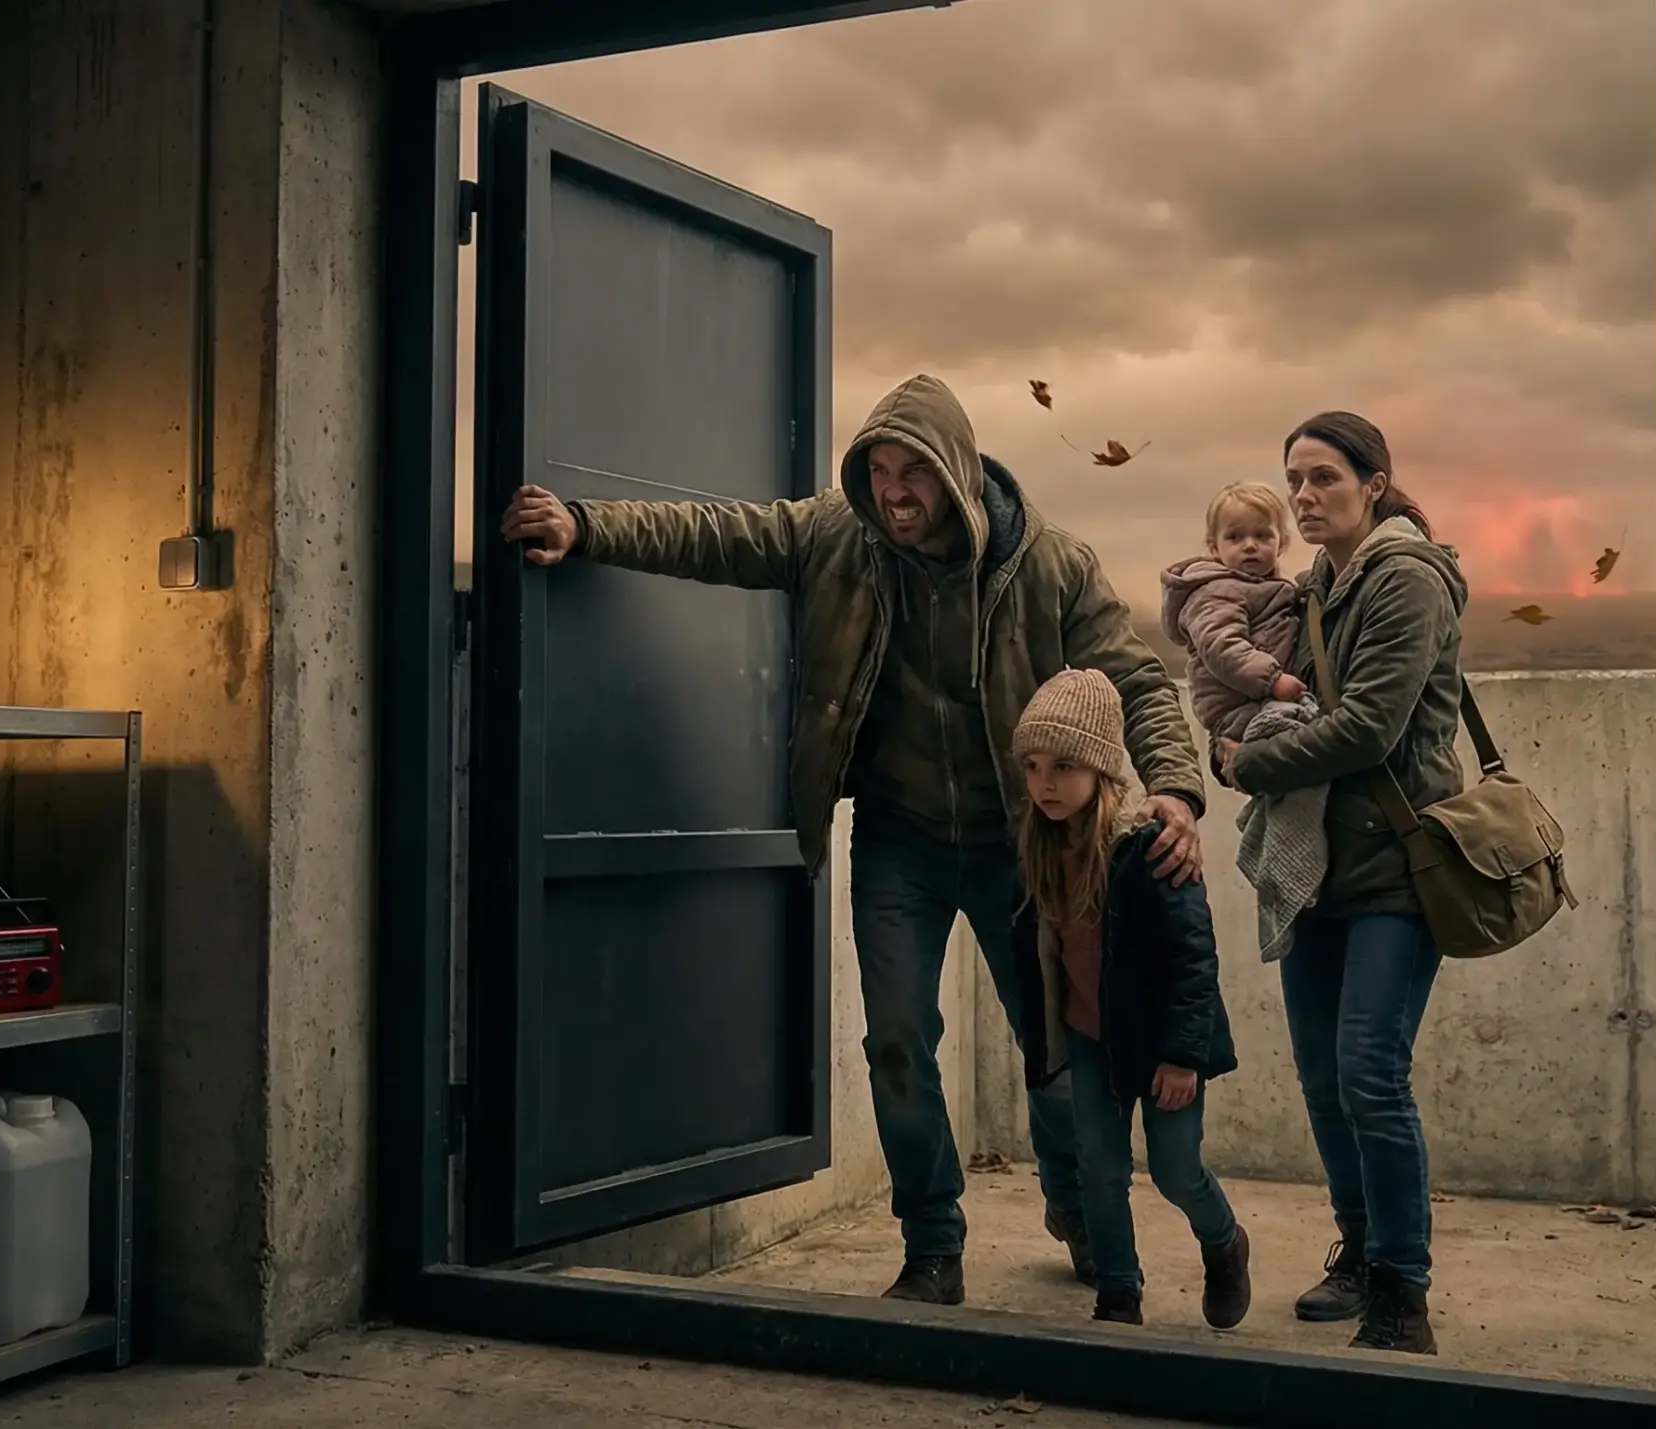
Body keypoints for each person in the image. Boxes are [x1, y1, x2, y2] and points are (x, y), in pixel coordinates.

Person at [498, 374, 1209, 1306]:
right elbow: (721, 536)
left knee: (1056, 1048)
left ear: (955, 472)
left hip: (1023, 846)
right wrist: (587, 525)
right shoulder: (838, 537)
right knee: (898, 1041)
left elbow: (1139, 682)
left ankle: (1076, 1204)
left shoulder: (1053, 568)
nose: (892, 491)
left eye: (912, 472)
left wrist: (1176, 789)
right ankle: (932, 1244)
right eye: (878, 469)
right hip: (899, 840)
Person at [1215, 411, 1467, 1355]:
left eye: (1324, 478)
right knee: (1325, 1080)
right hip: (1320, 865)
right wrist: (1225, 738)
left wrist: (1248, 766)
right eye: (1295, 481)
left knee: (1370, 1071)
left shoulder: (1404, 578)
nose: (1305, 497)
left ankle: (1403, 1291)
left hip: (1400, 866)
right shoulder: (1314, 582)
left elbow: (1369, 727)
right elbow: (1255, 696)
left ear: (1373, 482)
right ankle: (1358, 1252)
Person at [1005, 668, 1251, 1330]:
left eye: (1062, 765)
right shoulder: (1037, 845)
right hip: (1090, 1038)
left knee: (1175, 1169)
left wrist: (1181, 1056)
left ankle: (1225, 1242)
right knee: (1100, 1170)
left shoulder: (1147, 849)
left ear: (1103, 768)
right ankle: (1118, 1293)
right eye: (1032, 766)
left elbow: (1192, 959)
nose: (1044, 783)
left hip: (1161, 1045)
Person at [1160, 481, 1306, 742]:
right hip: (1238, 707)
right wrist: (1272, 679)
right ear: (1214, 546)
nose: (1249, 545)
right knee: (1303, 736)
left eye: (1262, 535)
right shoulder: (1216, 591)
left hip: (1263, 698)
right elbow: (1222, 645)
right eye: (1235, 537)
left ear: (1281, 542)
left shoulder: (1274, 587)